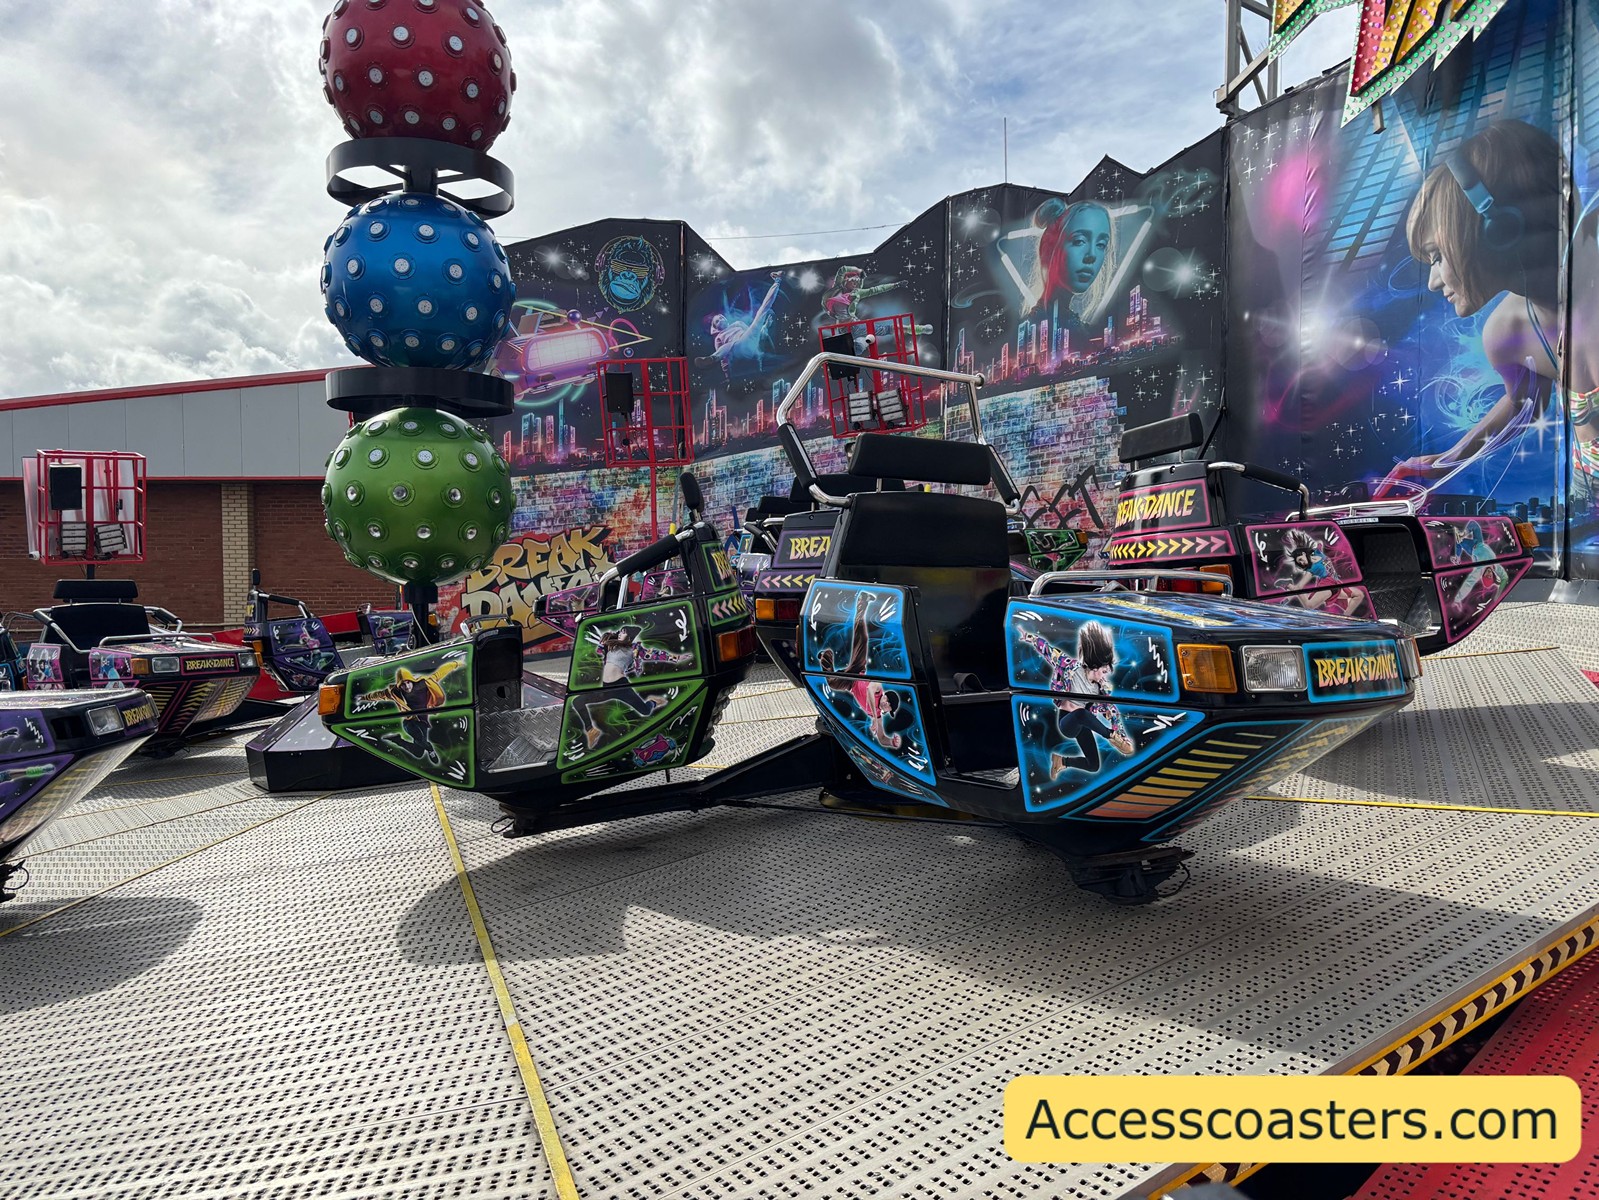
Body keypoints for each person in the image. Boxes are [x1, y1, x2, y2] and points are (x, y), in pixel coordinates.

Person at [1382, 120, 1593, 515]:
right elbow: (1524, 404)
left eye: (1437, 256)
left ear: (1499, 229)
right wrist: (1449, 458)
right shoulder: (1507, 332)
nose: (1433, 282)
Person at [1017, 621, 1134, 781]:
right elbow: (1049, 652)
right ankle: (1110, 735)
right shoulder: (1071, 668)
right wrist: (1031, 638)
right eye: (1104, 671)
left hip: (1083, 723)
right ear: (1095, 667)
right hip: (1067, 721)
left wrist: (1123, 737)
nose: (1105, 675)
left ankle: (1061, 761)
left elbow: (1113, 713)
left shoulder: (1101, 690)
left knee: (1094, 765)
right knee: (1080, 714)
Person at [816, 591, 905, 751]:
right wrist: (875, 718)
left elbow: (882, 738)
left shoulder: (878, 714)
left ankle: (825, 656)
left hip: (849, 684)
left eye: (888, 710)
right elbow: (869, 692)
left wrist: (891, 742)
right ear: (886, 699)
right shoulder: (878, 688)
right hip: (858, 670)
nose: (885, 709)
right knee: (862, 638)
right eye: (888, 707)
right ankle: (863, 601)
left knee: (833, 683)